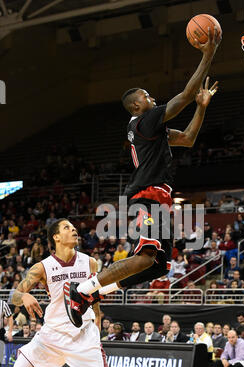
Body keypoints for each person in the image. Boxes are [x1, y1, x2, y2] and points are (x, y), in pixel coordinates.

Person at [63, 29, 221, 327]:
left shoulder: (152, 130)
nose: (152, 98)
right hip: (146, 195)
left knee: (157, 266)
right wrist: (208, 55)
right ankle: (81, 290)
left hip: (158, 197)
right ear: (136, 105)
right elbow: (185, 95)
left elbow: (187, 139)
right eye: (147, 96)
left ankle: (95, 293)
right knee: (145, 255)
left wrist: (201, 108)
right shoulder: (143, 121)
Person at [0, 219, 155, 367]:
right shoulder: (42, 267)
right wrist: (22, 296)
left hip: (83, 334)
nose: (73, 229)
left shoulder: (89, 262)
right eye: (66, 227)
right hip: (51, 335)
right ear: (55, 237)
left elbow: (96, 297)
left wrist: (98, 323)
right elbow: (15, 293)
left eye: (74, 226)